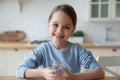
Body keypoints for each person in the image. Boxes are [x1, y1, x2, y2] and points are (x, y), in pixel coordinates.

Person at [16, 4, 105, 80]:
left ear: (72, 30)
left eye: (66, 27)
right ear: (49, 25)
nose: (59, 31)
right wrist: (42, 72)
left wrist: (73, 76)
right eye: (55, 25)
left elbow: (100, 72)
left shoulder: (78, 50)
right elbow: (20, 70)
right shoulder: (43, 50)